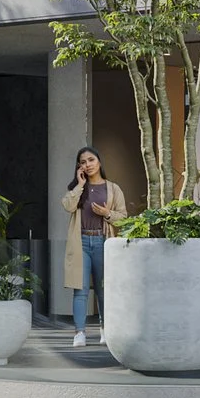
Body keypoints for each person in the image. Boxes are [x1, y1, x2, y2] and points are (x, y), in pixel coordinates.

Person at [59, 146, 122, 348]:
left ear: (99, 162)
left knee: (104, 290)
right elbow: (67, 205)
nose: (88, 164)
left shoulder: (113, 188)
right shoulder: (78, 189)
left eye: (91, 160)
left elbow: (123, 217)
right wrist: (79, 184)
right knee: (81, 290)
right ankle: (79, 333)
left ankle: (106, 330)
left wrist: (107, 213)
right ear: (80, 167)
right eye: (83, 162)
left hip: (104, 241)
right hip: (82, 243)